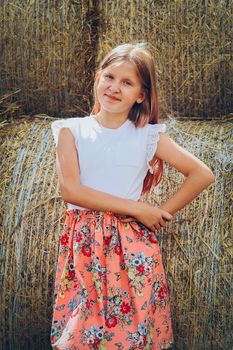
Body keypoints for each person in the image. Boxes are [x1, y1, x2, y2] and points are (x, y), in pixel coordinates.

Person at [50, 42, 214, 350]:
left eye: (127, 83)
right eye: (109, 77)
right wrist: (138, 208)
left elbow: (202, 174)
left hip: (132, 247)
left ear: (141, 95)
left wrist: (160, 212)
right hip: (85, 246)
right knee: (81, 336)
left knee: (133, 335)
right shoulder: (70, 131)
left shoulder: (147, 136)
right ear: (97, 78)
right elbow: (71, 190)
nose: (114, 87)